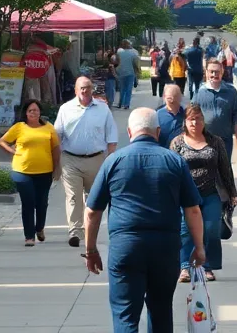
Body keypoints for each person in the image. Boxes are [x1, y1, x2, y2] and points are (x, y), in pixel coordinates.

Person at [84, 108, 206, 333]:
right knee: (161, 310)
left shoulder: (114, 161)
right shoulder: (175, 161)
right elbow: (193, 210)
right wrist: (199, 248)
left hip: (126, 247)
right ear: (158, 132)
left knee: (125, 314)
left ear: (129, 132)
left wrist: (91, 250)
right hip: (165, 248)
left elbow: (92, 211)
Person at [170, 103, 237, 283]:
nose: (194, 123)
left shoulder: (215, 142)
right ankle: (185, 267)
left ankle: (207, 266)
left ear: (203, 121)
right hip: (186, 195)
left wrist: (232, 192)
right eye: (191, 119)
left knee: (211, 229)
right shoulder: (177, 143)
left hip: (211, 193)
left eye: (198, 119)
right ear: (185, 122)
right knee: (185, 230)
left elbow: (225, 168)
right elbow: (171, 171)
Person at [53, 75, 119, 247]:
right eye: (81, 88)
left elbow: (111, 138)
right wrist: (57, 160)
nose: (84, 91)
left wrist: (109, 160)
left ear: (92, 89)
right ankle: (75, 231)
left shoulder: (103, 109)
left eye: (87, 87)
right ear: (76, 90)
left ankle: (91, 230)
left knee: (93, 199)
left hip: (96, 160)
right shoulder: (65, 109)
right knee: (73, 197)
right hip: (70, 160)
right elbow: (56, 136)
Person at [0, 99, 61, 247]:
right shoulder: (19, 127)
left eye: (36, 110)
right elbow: (2, 141)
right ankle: (29, 236)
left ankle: (39, 228)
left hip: (45, 171)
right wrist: (13, 151)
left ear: (40, 112)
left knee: (42, 203)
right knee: (28, 203)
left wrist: (57, 167)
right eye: (30, 110)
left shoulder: (48, 127)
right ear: (26, 113)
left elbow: (56, 148)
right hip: (22, 171)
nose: (33, 113)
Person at [196, 60, 237, 159]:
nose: (214, 74)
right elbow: (192, 116)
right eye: (211, 71)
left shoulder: (231, 92)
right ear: (206, 72)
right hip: (205, 141)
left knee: (224, 170)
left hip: (225, 141)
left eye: (217, 72)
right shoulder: (200, 92)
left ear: (222, 72)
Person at [156, 83, 186, 148]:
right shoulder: (157, 114)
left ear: (180, 97)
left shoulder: (186, 114)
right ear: (164, 97)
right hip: (163, 151)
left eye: (175, 96)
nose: (172, 100)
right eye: (169, 97)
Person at [115, 39, 142, 110]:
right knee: (128, 89)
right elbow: (136, 63)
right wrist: (138, 71)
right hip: (130, 73)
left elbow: (116, 62)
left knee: (122, 89)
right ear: (128, 45)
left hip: (121, 72)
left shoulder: (119, 52)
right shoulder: (133, 53)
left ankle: (121, 103)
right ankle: (126, 104)